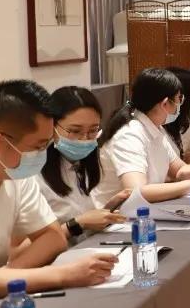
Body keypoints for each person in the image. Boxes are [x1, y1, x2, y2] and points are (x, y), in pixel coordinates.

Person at [0, 80, 116, 299]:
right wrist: (62, 275)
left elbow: (52, 237)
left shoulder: (13, 172)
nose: (42, 156)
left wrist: (8, 279)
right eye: (37, 147)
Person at [95, 68, 190, 205]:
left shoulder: (155, 127)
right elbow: (136, 192)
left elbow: (179, 169)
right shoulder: (129, 135)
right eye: (179, 99)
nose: (180, 106)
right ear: (165, 103)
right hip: (117, 215)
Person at [37, 87, 128, 243]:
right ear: (52, 126)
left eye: (93, 130)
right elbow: (31, 245)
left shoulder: (81, 163)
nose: (85, 139)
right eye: (75, 131)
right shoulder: (34, 173)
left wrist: (108, 210)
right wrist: (78, 224)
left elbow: (82, 217)